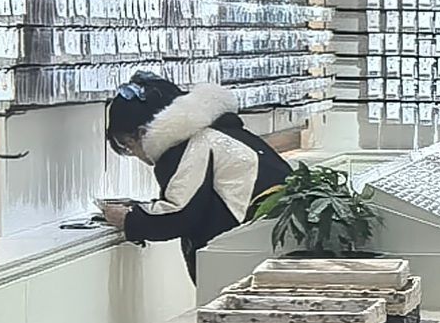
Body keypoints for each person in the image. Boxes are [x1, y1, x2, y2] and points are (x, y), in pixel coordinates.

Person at [96, 71, 293, 274]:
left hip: (254, 255)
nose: (135, 154)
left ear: (142, 132)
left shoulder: (192, 146)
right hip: (281, 244)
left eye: (128, 145)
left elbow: (179, 214)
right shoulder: (220, 133)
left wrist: (129, 219)